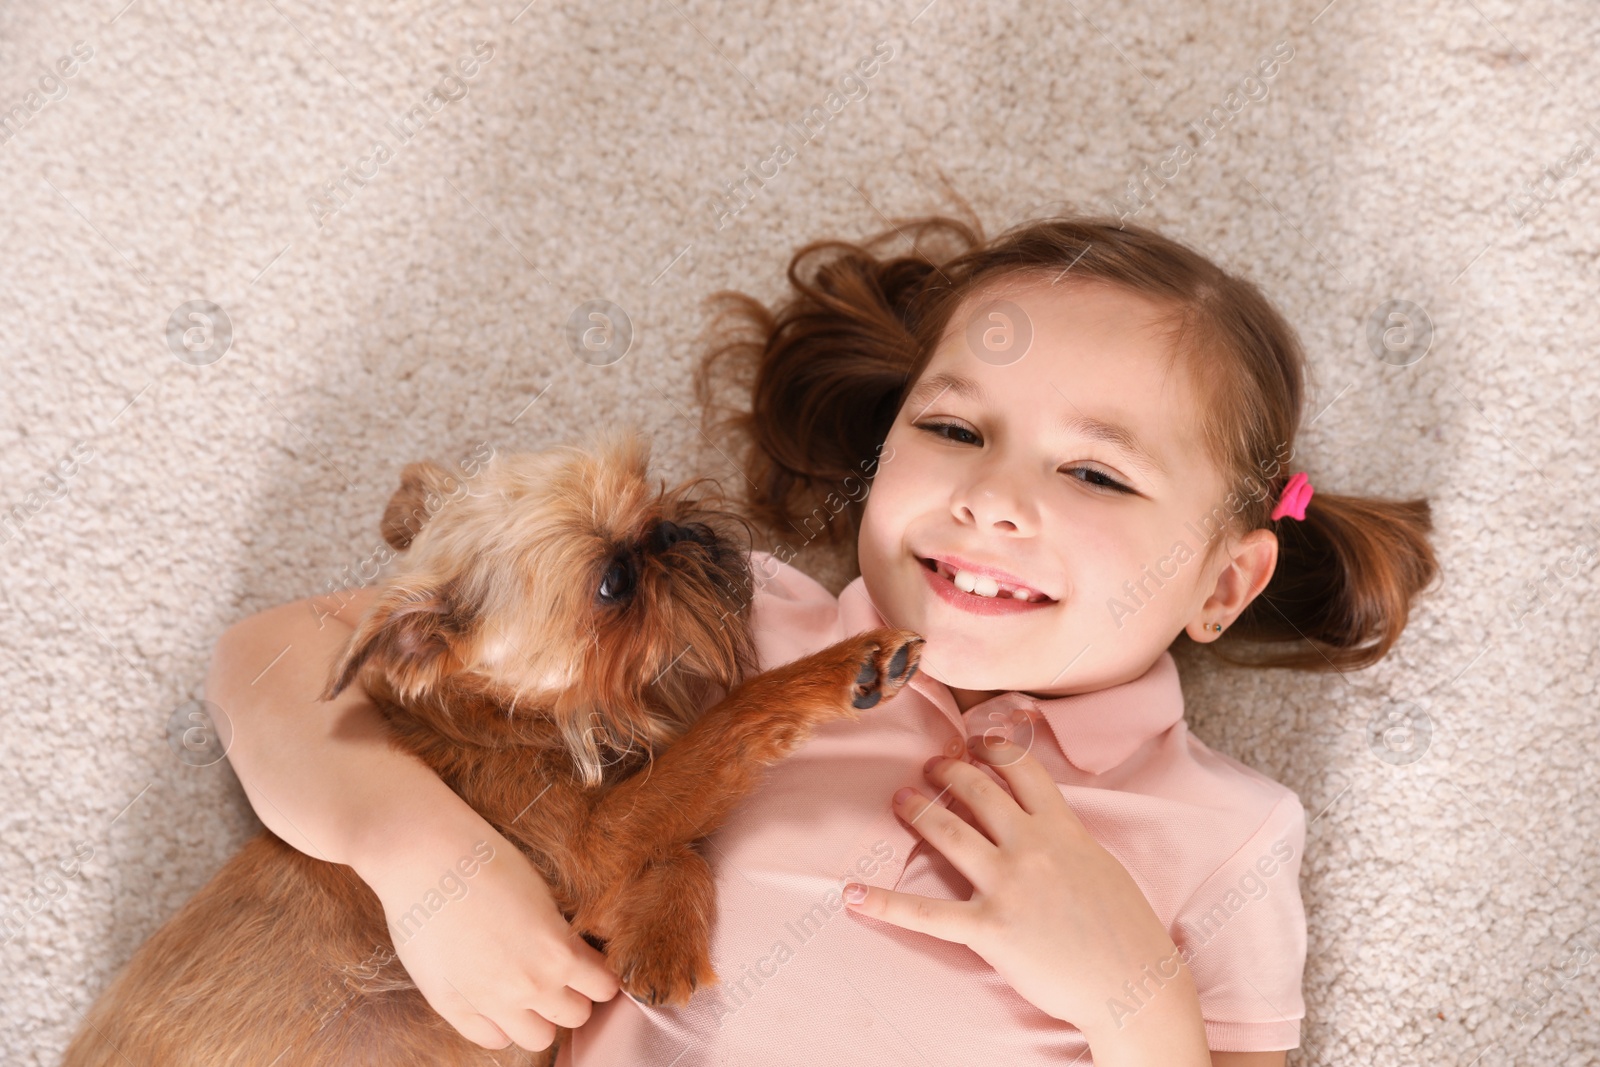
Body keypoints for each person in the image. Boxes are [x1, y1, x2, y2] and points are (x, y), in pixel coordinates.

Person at [209, 211, 1437, 1065]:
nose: (992, 498)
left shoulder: (1224, 832)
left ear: (1223, 581)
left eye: (1094, 472)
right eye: (954, 431)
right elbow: (266, 658)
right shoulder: (729, 619)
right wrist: (418, 854)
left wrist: (1137, 991)